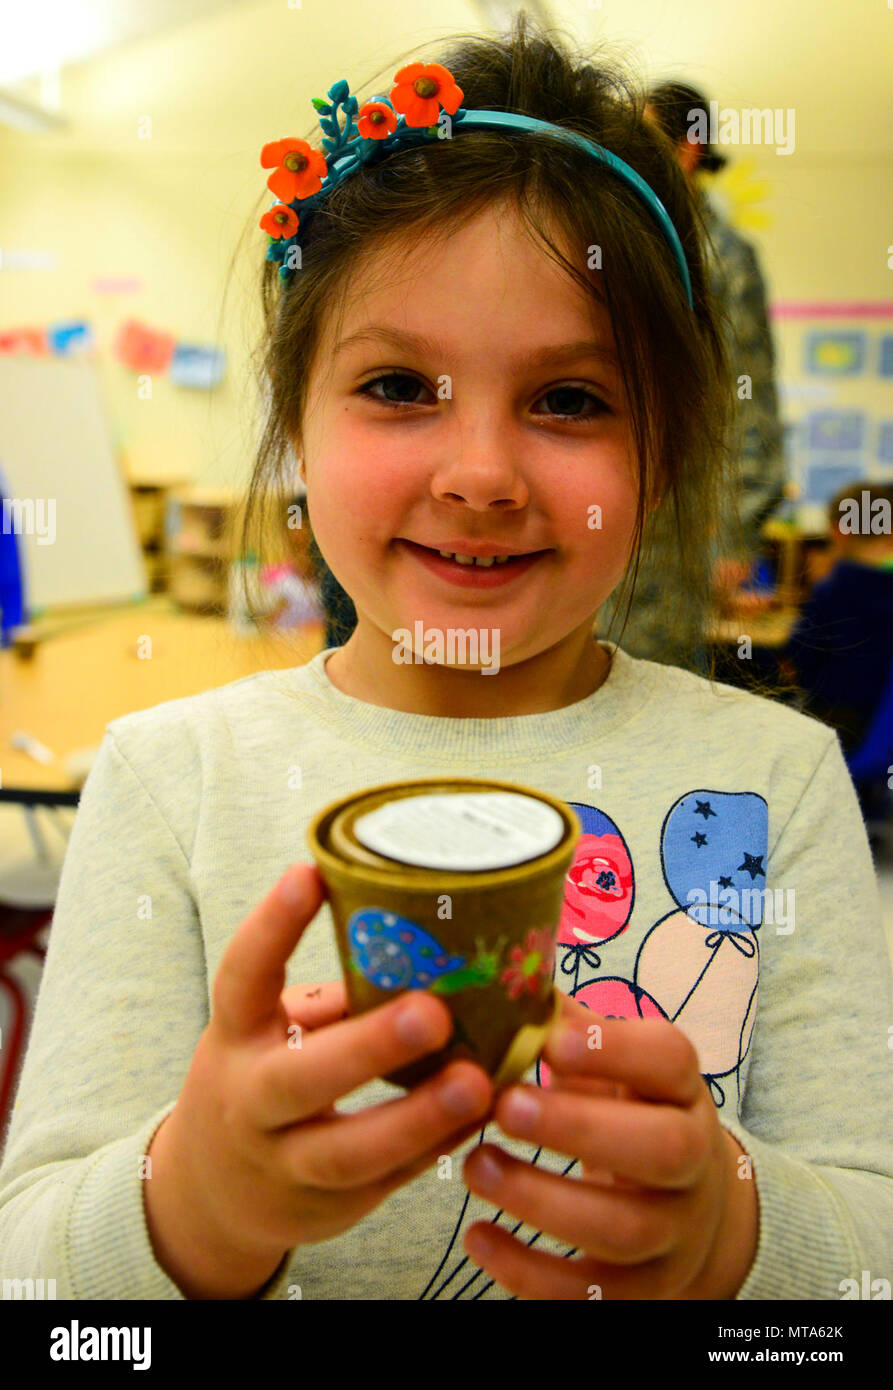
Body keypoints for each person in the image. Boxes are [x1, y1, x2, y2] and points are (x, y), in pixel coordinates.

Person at [0, 18, 889, 1301]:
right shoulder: (163, 777)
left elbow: (866, 1252)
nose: (479, 475)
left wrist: (727, 1233)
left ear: (666, 451)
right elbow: (43, 1299)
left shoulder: (780, 779)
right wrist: (191, 1201)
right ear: (293, 424)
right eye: (399, 385)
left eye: (568, 400)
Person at [597, 80, 788, 671]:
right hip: (594, 507)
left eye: (644, 138)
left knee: (644, 690)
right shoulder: (627, 241)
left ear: (688, 150)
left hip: (666, 536)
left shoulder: (720, 257)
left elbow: (748, 402)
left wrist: (732, 540)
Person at [780, 480, 893, 820]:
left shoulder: (833, 592)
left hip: (834, 724)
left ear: (838, 532)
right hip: (880, 730)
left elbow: (796, 657)